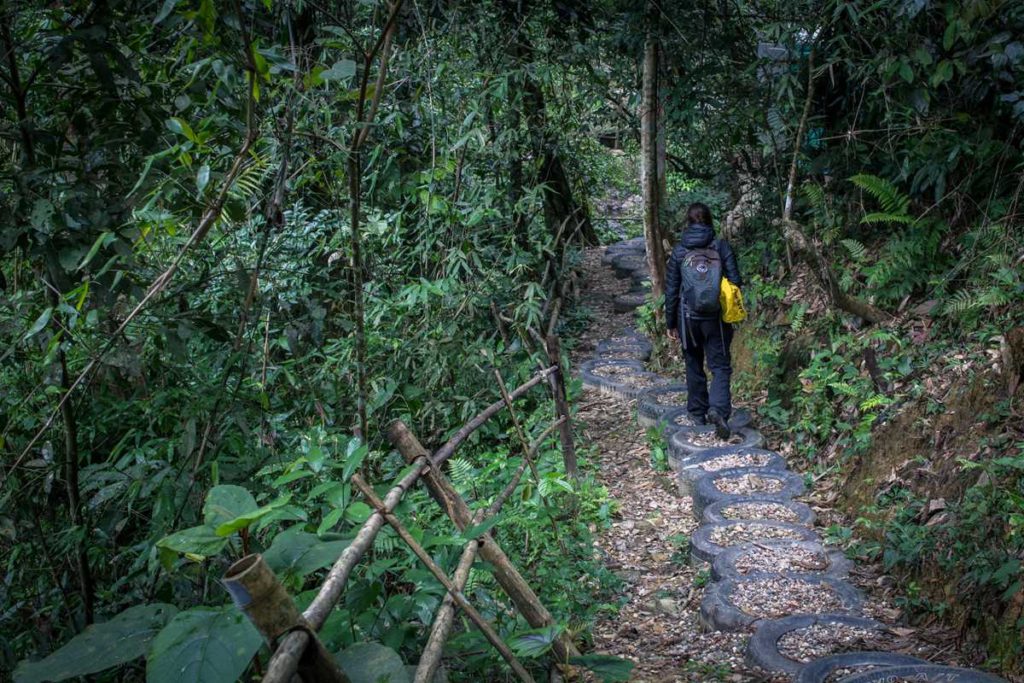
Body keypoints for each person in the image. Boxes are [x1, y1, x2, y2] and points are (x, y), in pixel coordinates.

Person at [664, 202, 743, 439]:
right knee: (719, 367)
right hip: (716, 319)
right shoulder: (720, 246)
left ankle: (698, 413)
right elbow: (736, 280)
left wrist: (671, 323)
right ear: (710, 221)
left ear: (687, 224)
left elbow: (671, 290)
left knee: (693, 363)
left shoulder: (679, 251)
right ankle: (718, 410)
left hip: (687, 318)